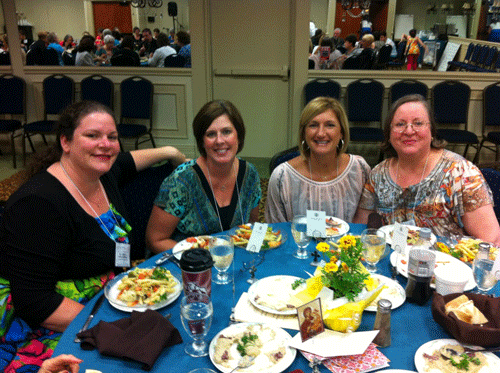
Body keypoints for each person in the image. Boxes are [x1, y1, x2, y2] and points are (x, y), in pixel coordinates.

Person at [0, 101, 186, 371]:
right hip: (51, 319)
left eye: (112, 137)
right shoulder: (38, 204)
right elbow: (34, 301)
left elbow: (130, 160)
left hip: (109, 295)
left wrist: (171, 151)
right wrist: (110, 325)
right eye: (92, 135)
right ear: (65, 142)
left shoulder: (103, 173)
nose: (106, 144)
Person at [353, 94, 500, 246]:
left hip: (449, 264)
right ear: (389, 134)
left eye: (418, 123)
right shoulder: (378, 174)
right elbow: (360, 228)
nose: (409, 131)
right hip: (394, 260)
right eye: (399, 124)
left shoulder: (460, 172)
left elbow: (492, 240)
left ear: (431, 131)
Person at [146, 100, 262, 253]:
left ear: (238, 136)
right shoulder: (182, 180)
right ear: (202, 141)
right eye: (211, 134)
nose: (219, 140)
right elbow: (155, 240)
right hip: (187, 268)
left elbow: (253, 226)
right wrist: (203, 259)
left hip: (232, 263)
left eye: (226, 132)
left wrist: (255, 259)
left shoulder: (250, 173)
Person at [265, 97, 370, 223]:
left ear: (341, 132)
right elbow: (276, 231)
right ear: (304, 133)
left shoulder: (359, 169)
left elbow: (365, 226)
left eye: (330, 125)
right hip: (297, 243)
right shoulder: (282, 177)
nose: (320, 133)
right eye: (313, 125)